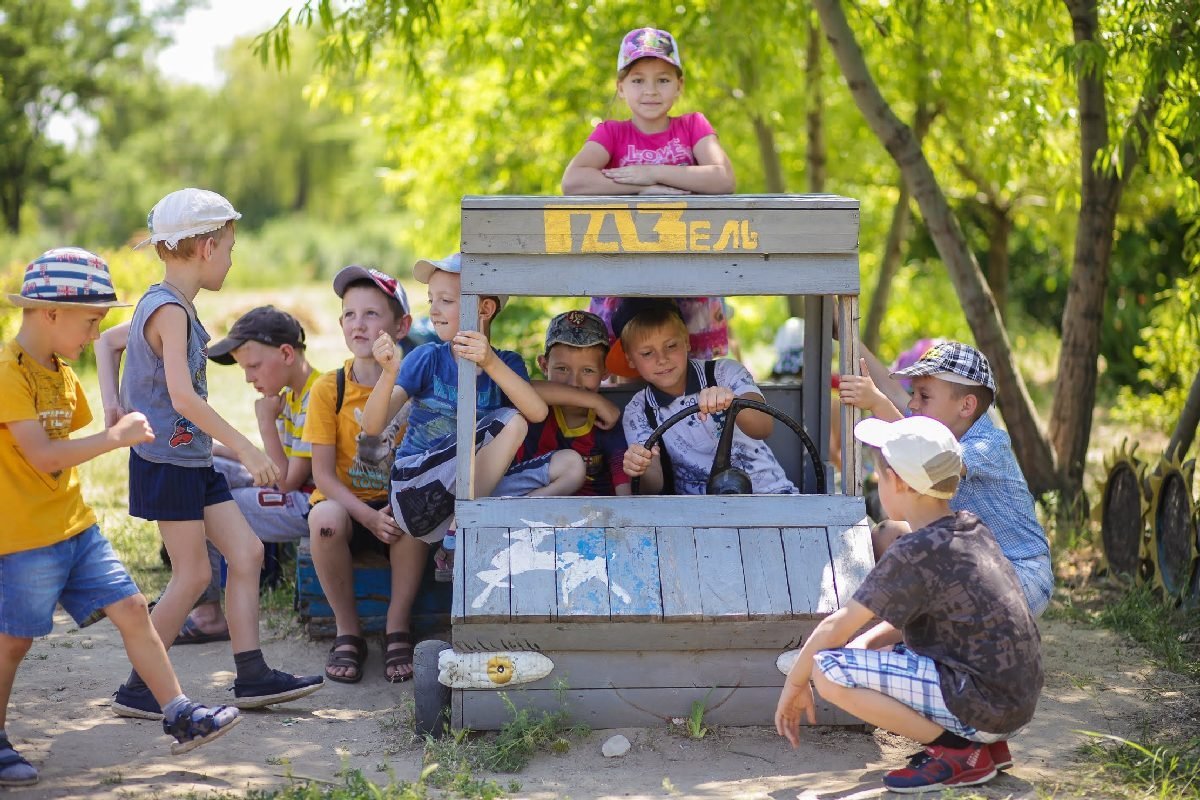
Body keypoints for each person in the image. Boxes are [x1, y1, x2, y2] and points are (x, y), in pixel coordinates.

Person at [1, 249, 242, 785]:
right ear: (48, 312)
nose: (94, 335)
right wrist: (116, 437)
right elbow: (43, 456)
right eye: (90, 322)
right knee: (13, 641)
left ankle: (178, 713)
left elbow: (72, 436)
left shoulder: (60, 373)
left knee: (134, 607)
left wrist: (113, 419)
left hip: (74, 526)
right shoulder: (8, 374)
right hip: (23, 536)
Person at [97, 188, 323, 719]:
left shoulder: (166, 305)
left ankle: (252, 675)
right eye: (229, 247)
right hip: (169, 465)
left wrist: (113, 404)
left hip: (192, 461)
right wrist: (243, 446)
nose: (230, 257)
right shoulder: (171, 311)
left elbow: (108, 343)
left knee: (247, 554)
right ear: (205, 247)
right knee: (194, 575)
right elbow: (180, 394)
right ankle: (139, 688)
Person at [775, 415, 1043, 794]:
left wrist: (795, 682)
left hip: (985, 703)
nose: (878, 483)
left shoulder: (914, 551)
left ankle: (957, 752)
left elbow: (836, 626)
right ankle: (983, 743)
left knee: (827, 671)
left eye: (879, 475)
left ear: (898, 482)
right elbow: (925, 616)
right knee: (889, 649)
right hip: (1015, 700)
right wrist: (866, 645)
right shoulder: (970, 527)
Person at [364, 254, 589, 595]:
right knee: (510, 422)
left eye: (446, 301)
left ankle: (495, 523)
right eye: (431, 301)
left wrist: (489, 361)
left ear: (483, 310)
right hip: (418, 488)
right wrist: (389, 373)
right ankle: (463, 525)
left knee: (572, 465)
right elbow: (372, 424)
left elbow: (537, 411)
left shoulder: (506, 363)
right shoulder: (427, 358)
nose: (434, 310)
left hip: (471, 491)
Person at [561, 27, 736, 372]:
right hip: (625, 277)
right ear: (621, 87)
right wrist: (640, 190)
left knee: (695, 375)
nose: (651, 91)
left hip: (690, 273)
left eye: (663, 80)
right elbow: (574, 180)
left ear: (679, 85)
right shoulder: (611, 133)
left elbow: (723, 177)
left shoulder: (692, 126)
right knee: (623, 370)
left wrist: (653, 173)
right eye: (638, 80)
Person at [837, 341, 1053, 619]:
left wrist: (878, 403)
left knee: (937, 590)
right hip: (974, 561)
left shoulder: (989, 444)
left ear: (966, 406)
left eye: (924, 396)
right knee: (887, 535)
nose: (913, 403)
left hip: (1022, 572)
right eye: (913, 394)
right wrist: (845, 337)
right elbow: (900, 408)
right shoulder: (946, 429)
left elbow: (932, 456)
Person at [302, 265, 417, 685]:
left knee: (415, 514)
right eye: (350, 314)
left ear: (401, 325)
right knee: (325, 521)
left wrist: (390, 507)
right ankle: (348, 630)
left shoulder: (413, 385)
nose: (359, 324)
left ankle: (396, 625)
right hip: (348, 505)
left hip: (396, 500)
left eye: (372, 314)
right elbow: (322, 475)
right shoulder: (328, 388)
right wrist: (365, 516)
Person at [186, 306, 320, 644]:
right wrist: (215, 450)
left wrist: (264, 422)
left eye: (254, 366)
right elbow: (274, 463)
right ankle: (197, 598)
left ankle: (209, 613)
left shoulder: (316, 396)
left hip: (310, 503)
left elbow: (287, 480)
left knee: (207, 504)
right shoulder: (291, 395)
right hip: (291, 489)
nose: (248, 378)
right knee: (198, 470)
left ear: (286, 353)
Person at [619, 299, 797, 495]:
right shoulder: (638, 410)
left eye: (671, 346)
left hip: (769, 495)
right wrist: (640, 467)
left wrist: (733, 403)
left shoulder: (724, 373)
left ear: (686, 342)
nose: (662, 359)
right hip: (697, 514)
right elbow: (653, 486)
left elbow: (763, 427)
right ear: (630, 359)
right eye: (647, 353)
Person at [521, 310, 630, 497]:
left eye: (587, 370)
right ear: (544, 365)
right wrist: (594, 400)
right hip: (532, 516)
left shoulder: (606, 421)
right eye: (562, 369)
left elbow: (622, 483)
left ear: (606, 371)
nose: (573, 382)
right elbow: (521, 389)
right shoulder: (532, 409)